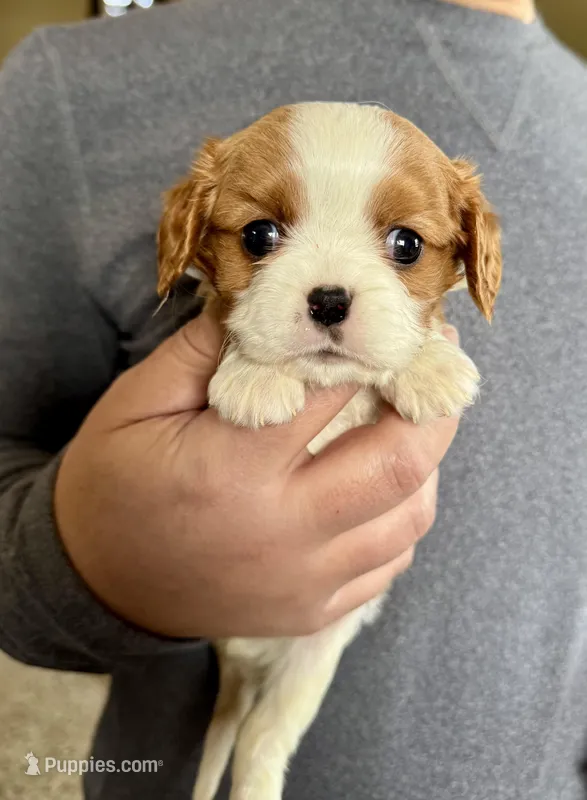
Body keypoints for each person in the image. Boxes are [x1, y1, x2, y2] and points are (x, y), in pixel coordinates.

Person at [0, 0, 586, 797]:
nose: (330, 289)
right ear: (192, 237)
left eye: (404, 246)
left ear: (467, 260)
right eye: (262, 238)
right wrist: (83, 555)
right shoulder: (68, 89)